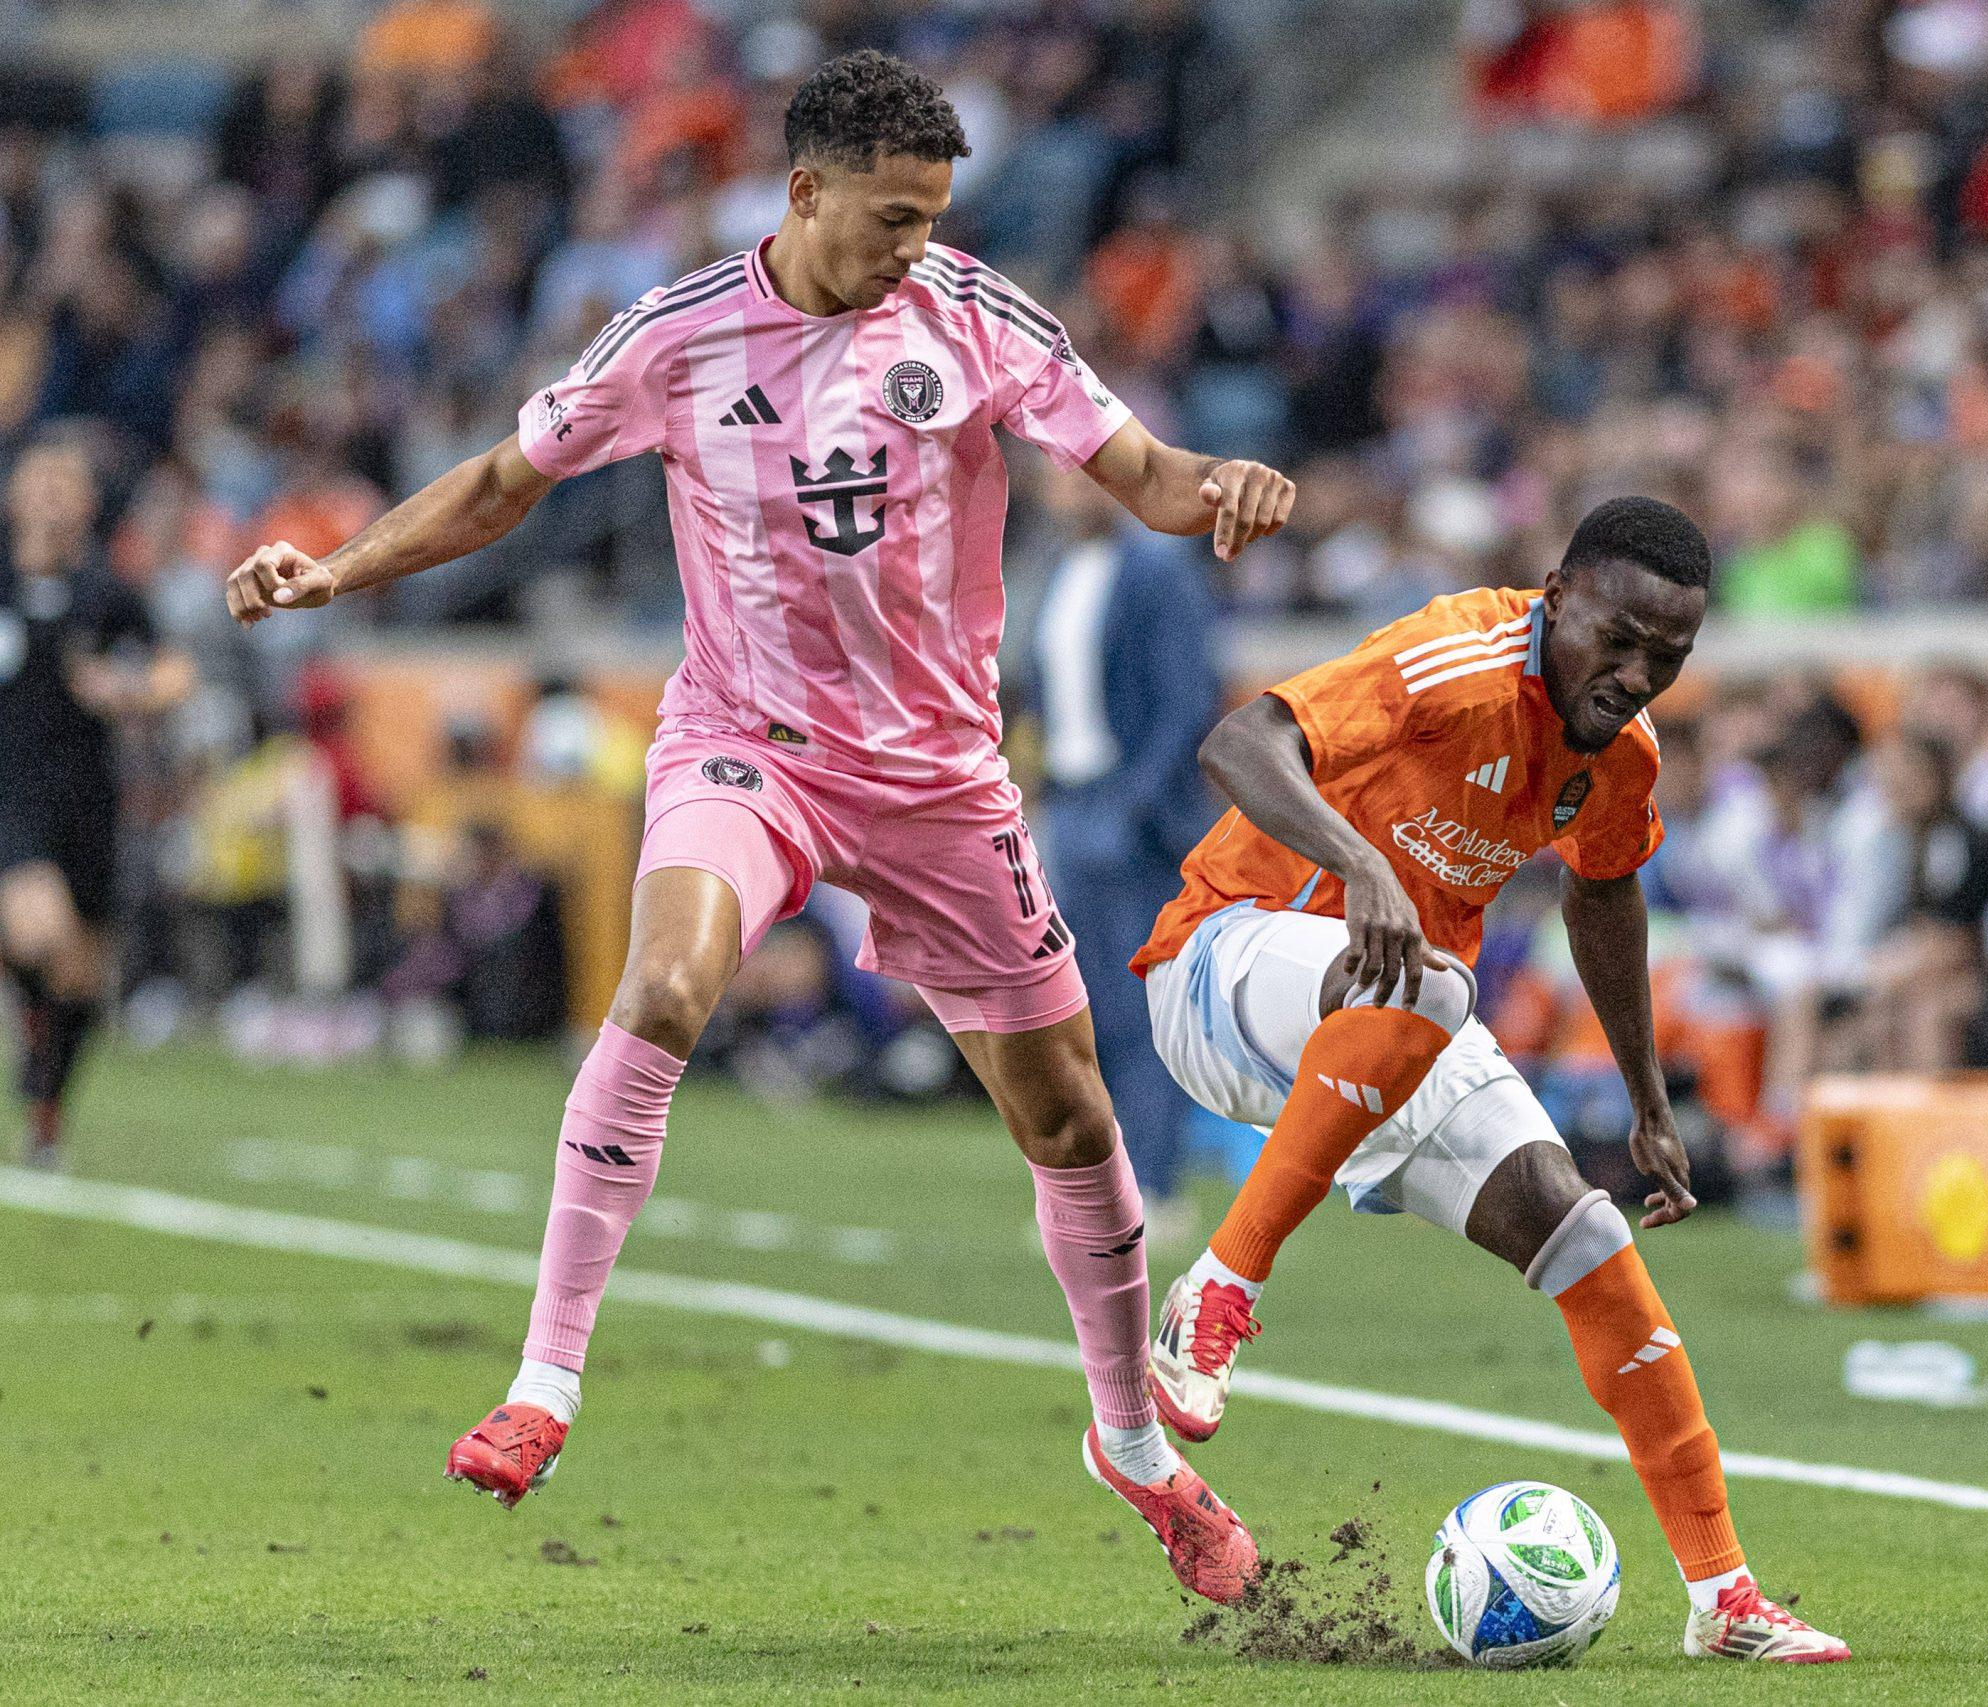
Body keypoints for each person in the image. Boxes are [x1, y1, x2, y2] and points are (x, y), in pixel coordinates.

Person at [224, 51, 1295, 1603]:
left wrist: (1224, 486)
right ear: (803, 192)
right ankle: (543, 1381)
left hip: (940, 780)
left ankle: (1132, 1440)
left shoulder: (975, 316)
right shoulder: (675, 335)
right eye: (892, 218)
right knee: (666, 983)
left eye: (933, 218)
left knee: (1070, 1118)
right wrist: (337, 569)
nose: (916, 247)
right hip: (749, 745)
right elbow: (502, 482)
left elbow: (1142, 472)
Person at [1132, 498, 1852, 1664]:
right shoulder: (1453, 660)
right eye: (1617, 640)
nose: (1635, 675)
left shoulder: (1622, 754)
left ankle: (1724, 1600)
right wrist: (1360, 864)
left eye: (1666, 657)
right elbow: (1239, 744)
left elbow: (1602, 893)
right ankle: (1214, 1290)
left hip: (1396, 1019)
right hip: (1226, 960)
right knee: (1430, 985)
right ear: (1556, 598)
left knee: (1589, 1241)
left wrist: (1650, 1103)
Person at [1024, 455, 1224, 1230]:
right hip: (1071, 807)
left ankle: (1154, 1183)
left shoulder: (1159, 572)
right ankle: (1099, 1185)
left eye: (1086, 473)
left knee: (1144, 1012)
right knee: (1086, 1011)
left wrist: (1134, 804)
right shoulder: (1056, 569)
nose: (1073, 488)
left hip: (1133, 819)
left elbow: (1186, 702)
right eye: (1061, 475)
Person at [1, 429, 192, 1166]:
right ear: (15, 496)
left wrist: (129, 690)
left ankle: (45, 1104)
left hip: (87, 799)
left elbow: (174, 671)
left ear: (86, 503)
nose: (51, 499)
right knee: (39, 932)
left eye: (66, 485)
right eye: (40, 482)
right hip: (11, 795)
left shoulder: (107, 595)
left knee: (81, 976)